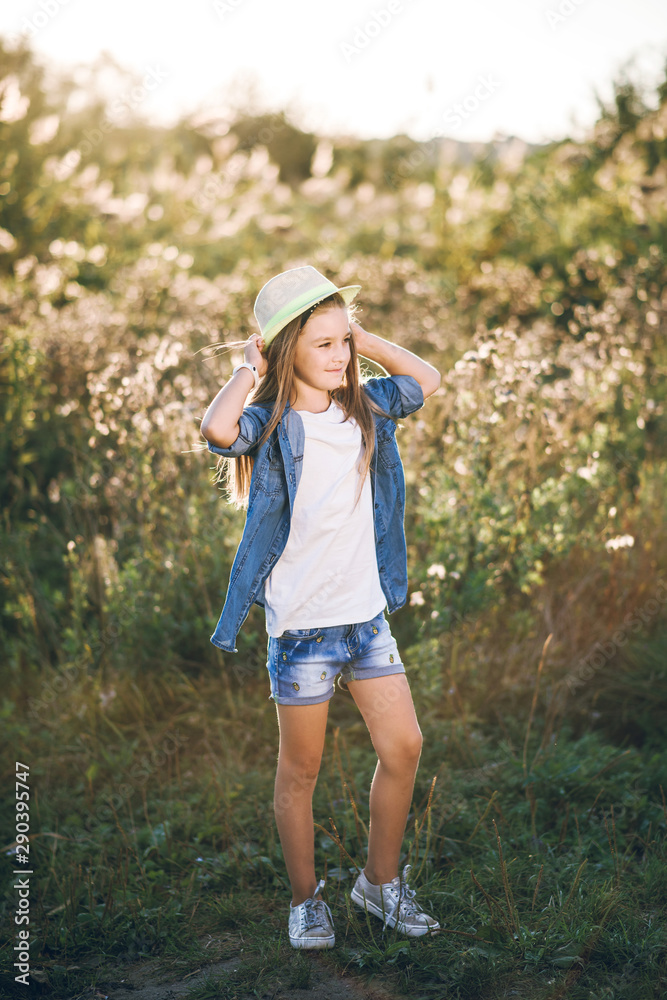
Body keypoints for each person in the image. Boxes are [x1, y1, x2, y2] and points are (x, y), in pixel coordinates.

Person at [200, 265, 442, 949]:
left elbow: (428, 378)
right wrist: (250, 372)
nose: (340, 356)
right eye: (323, 345)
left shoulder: (362, 403)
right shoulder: (271, 421)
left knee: (405, 746)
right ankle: (305, 900)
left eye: (343, 342)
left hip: (364, 618)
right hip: (303, 628)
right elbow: (219, 431)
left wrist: (361, 335)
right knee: (299, 771)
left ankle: (378, 882)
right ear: (285, 353)